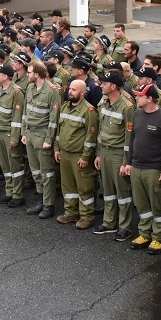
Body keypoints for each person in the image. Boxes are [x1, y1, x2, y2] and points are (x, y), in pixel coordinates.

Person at [126, 84, 161, 255]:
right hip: (137, 167)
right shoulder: (138, 114)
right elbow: (132, 140)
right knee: (141, 204)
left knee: (158, 205)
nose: (136, 98)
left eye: (140, 96)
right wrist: (129, 162)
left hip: (155, 169)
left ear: (149, 98)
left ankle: (158, 237)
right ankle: (144, 233)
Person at [94, 72, 136, 240]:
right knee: (108, 189)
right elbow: (100, 129)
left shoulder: (127, 107)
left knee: (122, 191)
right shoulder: (103, 103)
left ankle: (125, 226)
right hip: (104, 151)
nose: (101, 85)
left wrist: (126, 161)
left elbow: (130, 137)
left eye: (104, 83)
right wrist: (98, 153)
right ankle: (109, 222)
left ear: (113, 86)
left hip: (119, 153)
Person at [55, 79, 98, 229]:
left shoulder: (89, 111)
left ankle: (86, 216)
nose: (70, 92)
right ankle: (71, 212)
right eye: (70, 89)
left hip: (78, 156)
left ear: (82, 92)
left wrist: (86, 157)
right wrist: (56, 148)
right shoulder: (65, 107)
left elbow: (90, 136)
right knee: (68, 186)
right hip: (65, 153)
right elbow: (59, 131)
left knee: (84, 187)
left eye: (74, 90)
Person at [21, 61, 60, 219]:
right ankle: (40, 199)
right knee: (36, 171)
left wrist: (49, 140)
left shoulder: (52, 91)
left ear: (37, 74)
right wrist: (24, 132)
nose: (27, 75)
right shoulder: (30, 88)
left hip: (43, 136)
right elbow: (25, 111)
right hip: (30, 135)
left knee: (46, 173)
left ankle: (48, 204)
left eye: (29, 72)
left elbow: (54, 119)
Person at [0, 64, 26, 207]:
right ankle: (9, 191)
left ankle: (18, 195)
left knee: (15, 165)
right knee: (5, 165)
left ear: (5, 76)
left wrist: (14, 137)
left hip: (9, 133)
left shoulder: (16, 92)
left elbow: (18, 117)